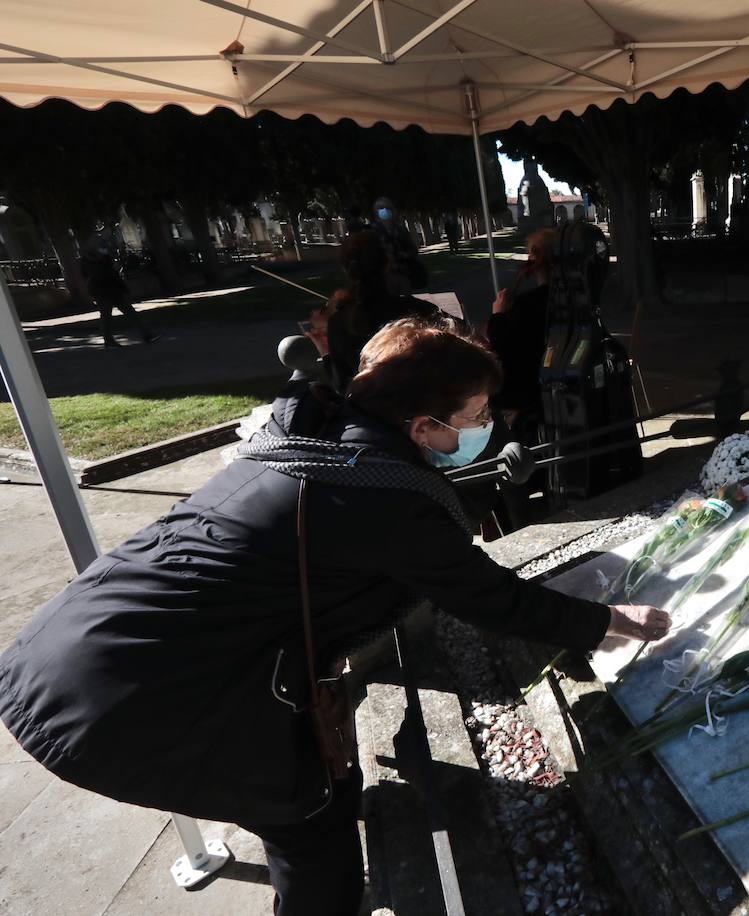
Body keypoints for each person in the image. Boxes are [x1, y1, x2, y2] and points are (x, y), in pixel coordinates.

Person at [0, 316, 669, 915]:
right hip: (124, 698)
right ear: (423, 427)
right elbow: (492, 597)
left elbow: (389, 532)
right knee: (310, 826)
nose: (487, 423)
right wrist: (614, 620)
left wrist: (490, 479)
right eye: (477, 412)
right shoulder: (379, 495)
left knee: (310, 797)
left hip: (77, 640)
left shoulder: (321, 438)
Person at [485, 228, 555, 433]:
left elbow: (503, 347)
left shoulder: (528, 304)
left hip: (529, 389)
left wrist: (497, 314)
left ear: (536, 256)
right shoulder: (575, 298)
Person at [79, 232, 157, 347]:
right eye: (94, 240)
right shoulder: (87, 259)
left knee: (130, 312)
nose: (96, 242)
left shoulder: (101, 254)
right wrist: (111, 269)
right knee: (106, 316)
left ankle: (146, 334)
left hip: (113, 288)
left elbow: (108, 266)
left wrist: (110, 262)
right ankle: (109, 340)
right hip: (102, 290)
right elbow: (96, 274)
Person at [370, 196, 425, 297]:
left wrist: (404, 255)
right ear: (375, 212)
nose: (384, 210)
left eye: (386, 207)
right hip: (384, 276)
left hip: (402, 272)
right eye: (380, 208)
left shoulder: (400, 229)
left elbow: (413, 250)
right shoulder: (373, 231)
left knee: (407, 303)